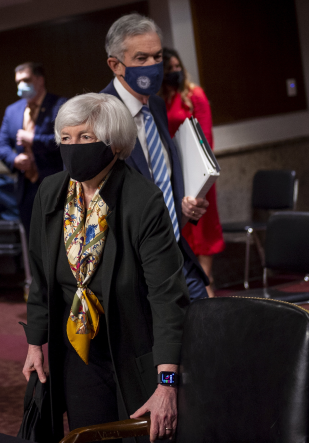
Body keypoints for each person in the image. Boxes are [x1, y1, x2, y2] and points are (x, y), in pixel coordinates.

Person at [22, 93, 190, 443]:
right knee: (88, 435)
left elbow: (167, 297)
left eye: (85, 137)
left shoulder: (142, 200)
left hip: (134, 348)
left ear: (113, 144)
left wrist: (168, 382)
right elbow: (40, 278)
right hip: (78, 349)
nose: (73, 146)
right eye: (65, 138)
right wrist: (36, 343)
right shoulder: (50, 193)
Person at [101, 13, 210, 300]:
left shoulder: (158, 106)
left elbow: (158, 176)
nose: (153, 66)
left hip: (177, 253)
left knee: (208, 333)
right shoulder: (97, 118)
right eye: (141, 58)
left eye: (157, 56)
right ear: (116, 65)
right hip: (137, 268)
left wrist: (183, 205)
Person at [161, 48, 225, 298]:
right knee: (184, 226)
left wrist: (200, 171)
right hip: (175, 174)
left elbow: (206, 135)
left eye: (178, 66)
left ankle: (207, 282)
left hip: (199, 171)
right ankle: (192, 280)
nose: (175, 71)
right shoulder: (159, 99)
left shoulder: (193, 94)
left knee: (203, 226)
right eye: (169, 68)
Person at [0, 62, 67, 235]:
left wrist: (34, 140)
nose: (21, 85)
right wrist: (15, 160)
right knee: (34, 241)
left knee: (60, 238)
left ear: (40, 80)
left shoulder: (60, 105)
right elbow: (0, 145)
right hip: (26, 188)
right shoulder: (12, 111)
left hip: (55, 184)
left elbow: (65, 140)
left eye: (26, 80)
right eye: (18, 82)